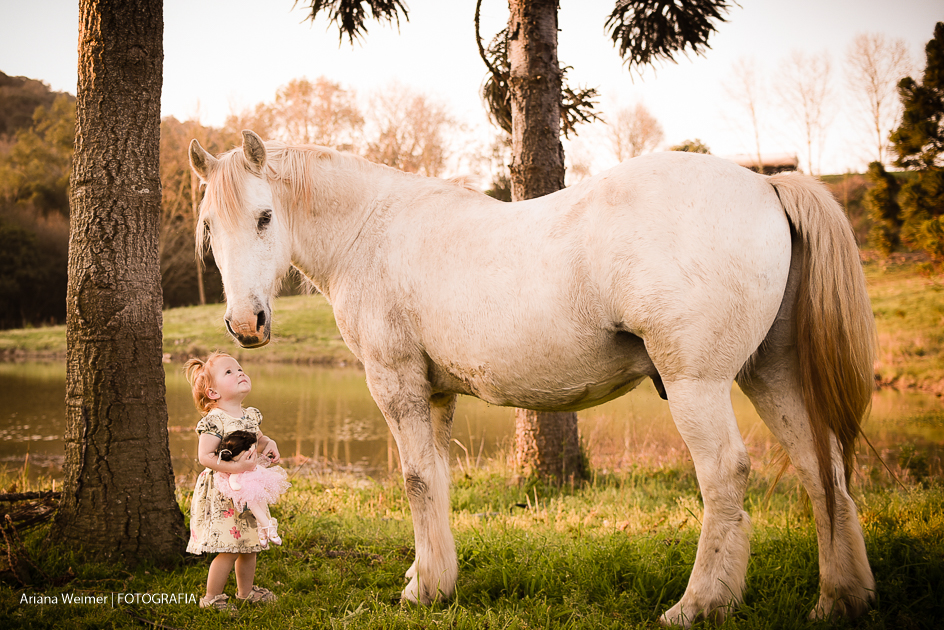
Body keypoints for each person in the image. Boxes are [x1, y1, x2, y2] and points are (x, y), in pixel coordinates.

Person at [184, 352, 284, 611]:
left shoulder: (249, 415)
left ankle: (246, 592)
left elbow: (258, 439)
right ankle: (212, 598)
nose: (240, 372)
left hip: (248, 490)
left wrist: (268, 444)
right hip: (224, 492)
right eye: (229, 372)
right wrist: (235, 466)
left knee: (249, 546)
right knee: (228, 548)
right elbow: (205, 456)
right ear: (213, 392)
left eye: (239, 368)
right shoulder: (214, 420)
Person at [214, 429, 290, 548]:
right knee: (255, 507)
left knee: (263, 506)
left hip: (257, 487)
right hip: (246, 490)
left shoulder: (254, 465)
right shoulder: (238, 470)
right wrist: (235, 485)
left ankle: (262, 533)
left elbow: (262, 470)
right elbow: (233, 481)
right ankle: (269, 528)